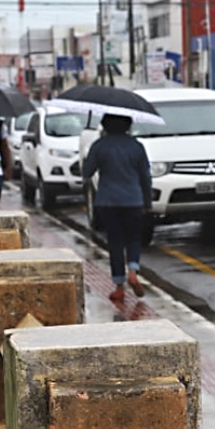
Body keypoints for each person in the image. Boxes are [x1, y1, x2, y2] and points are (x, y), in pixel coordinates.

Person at [81, 114, 151, 301]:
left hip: (108, 201)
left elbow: (86, 172)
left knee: (116, 243)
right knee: (134, 238)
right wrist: (147, 202)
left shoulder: (99, 146)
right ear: (128, 125)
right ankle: (133, 271)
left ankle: (119, 286)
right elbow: (145, 176)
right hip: (133, 200)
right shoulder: (136, 146)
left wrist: (89, 159)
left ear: (105, 125)